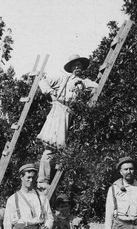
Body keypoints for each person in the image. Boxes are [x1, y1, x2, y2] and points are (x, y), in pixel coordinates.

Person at [37, 54, 99, 190]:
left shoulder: (84, 81)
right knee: (51, 146)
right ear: (70, 68)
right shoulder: (62, 78)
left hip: (71, 115)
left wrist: (83, 86)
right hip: (59, 111)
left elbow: (96, 87)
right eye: (74, 66)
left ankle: (59, 181)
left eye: (79, 66)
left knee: (65, 148)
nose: (77, 68)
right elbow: (43, 81)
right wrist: (51, 93)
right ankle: (43, 180)